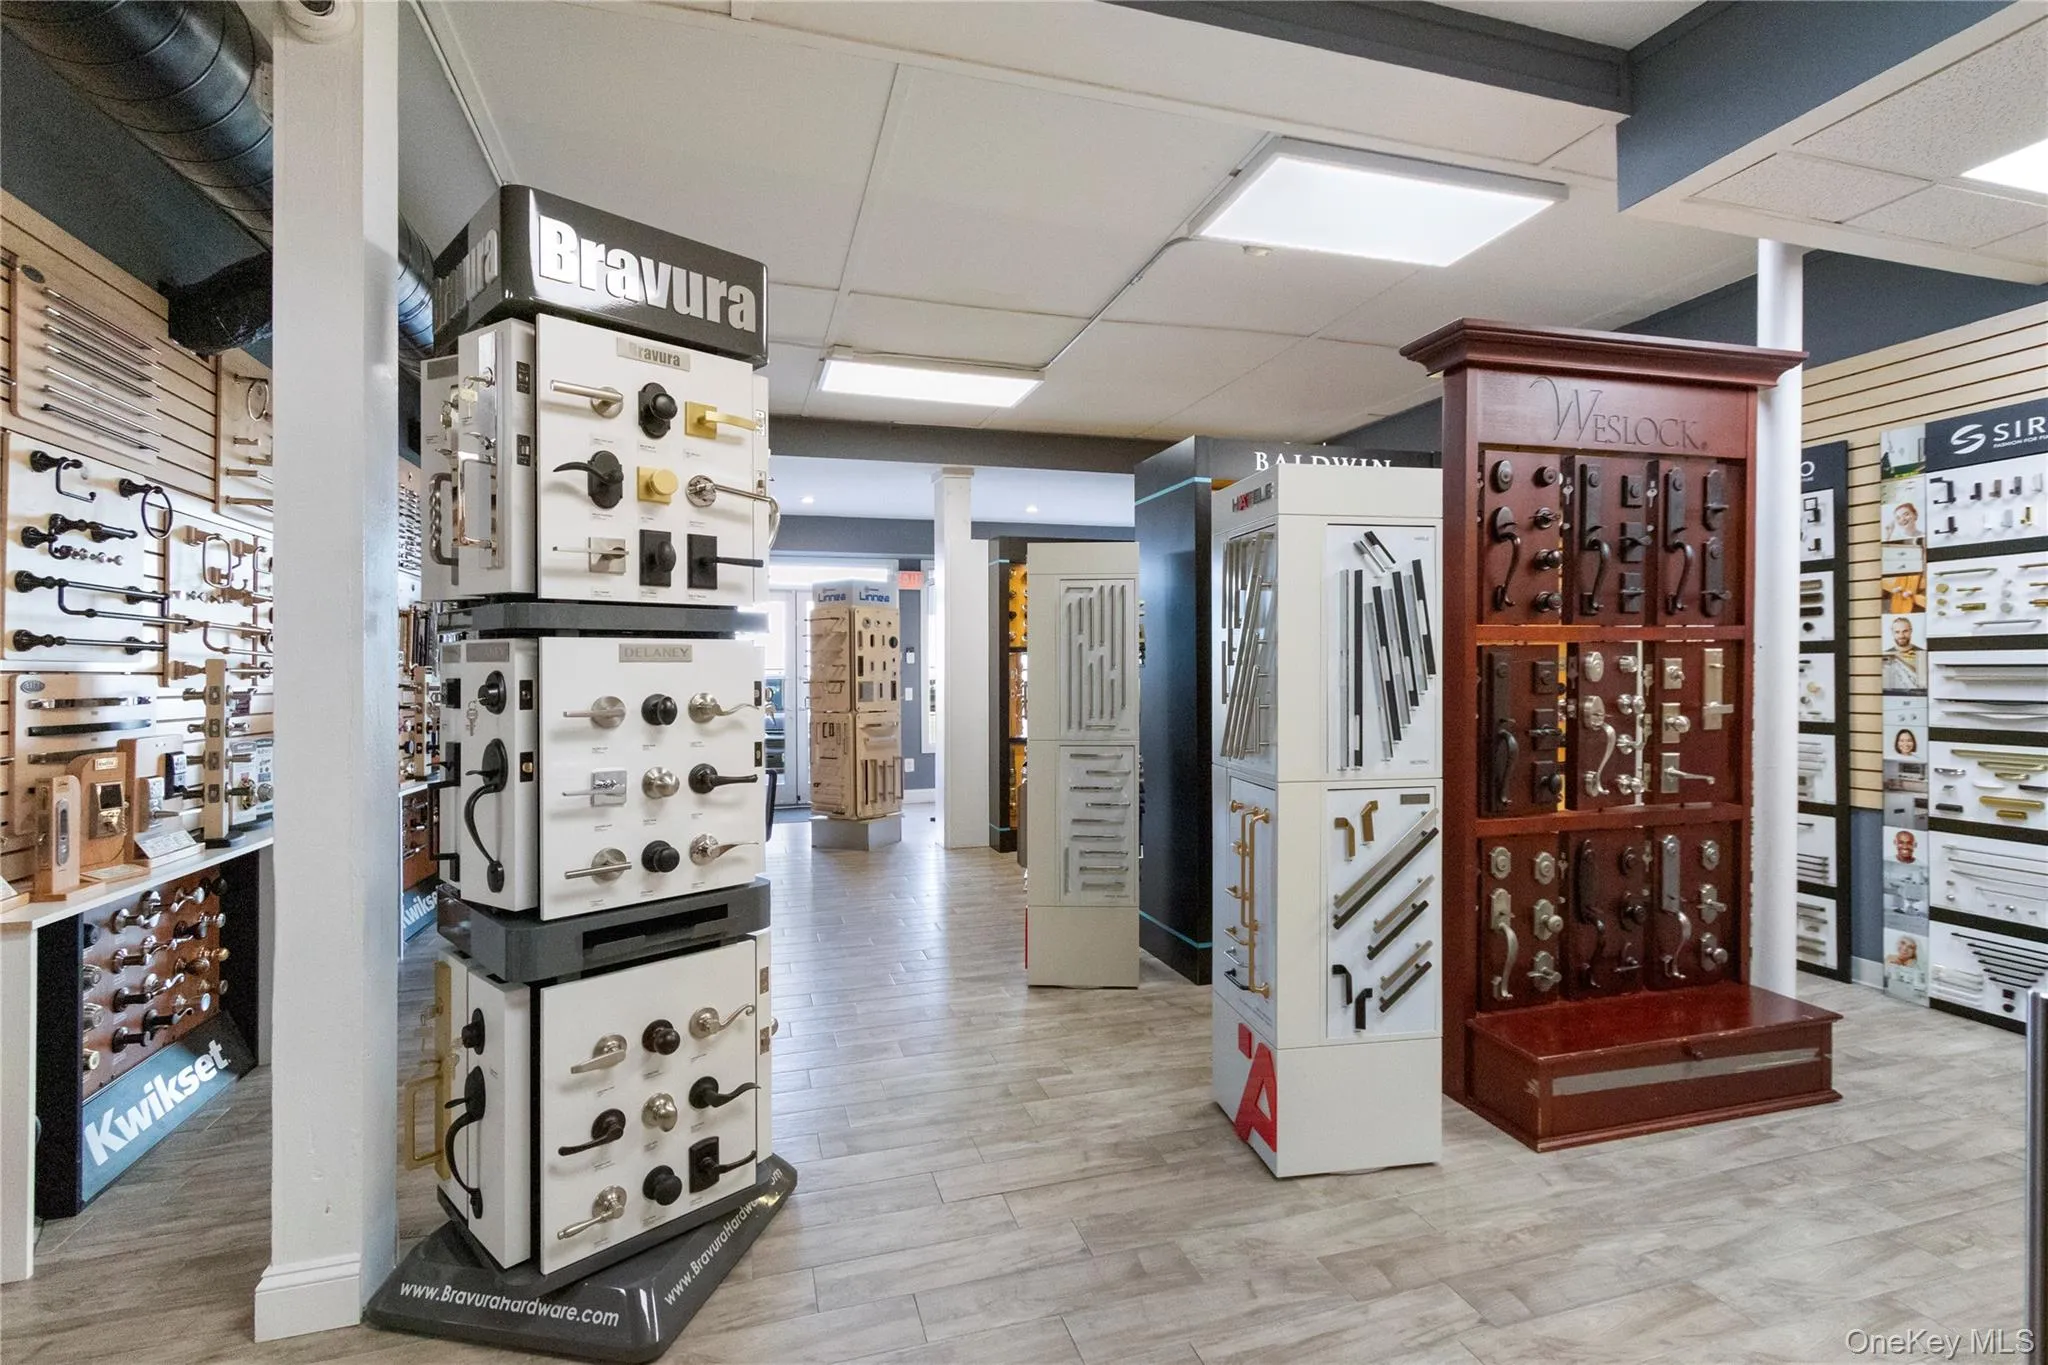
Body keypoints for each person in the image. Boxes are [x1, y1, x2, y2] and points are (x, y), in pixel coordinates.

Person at [1883, 616, 1925, 691]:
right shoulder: (1885, 655)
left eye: (1905, 631)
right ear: (1892, 633)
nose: (1901, 636)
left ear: (1911, 631)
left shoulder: (1922, 653)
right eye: (1897, 632)